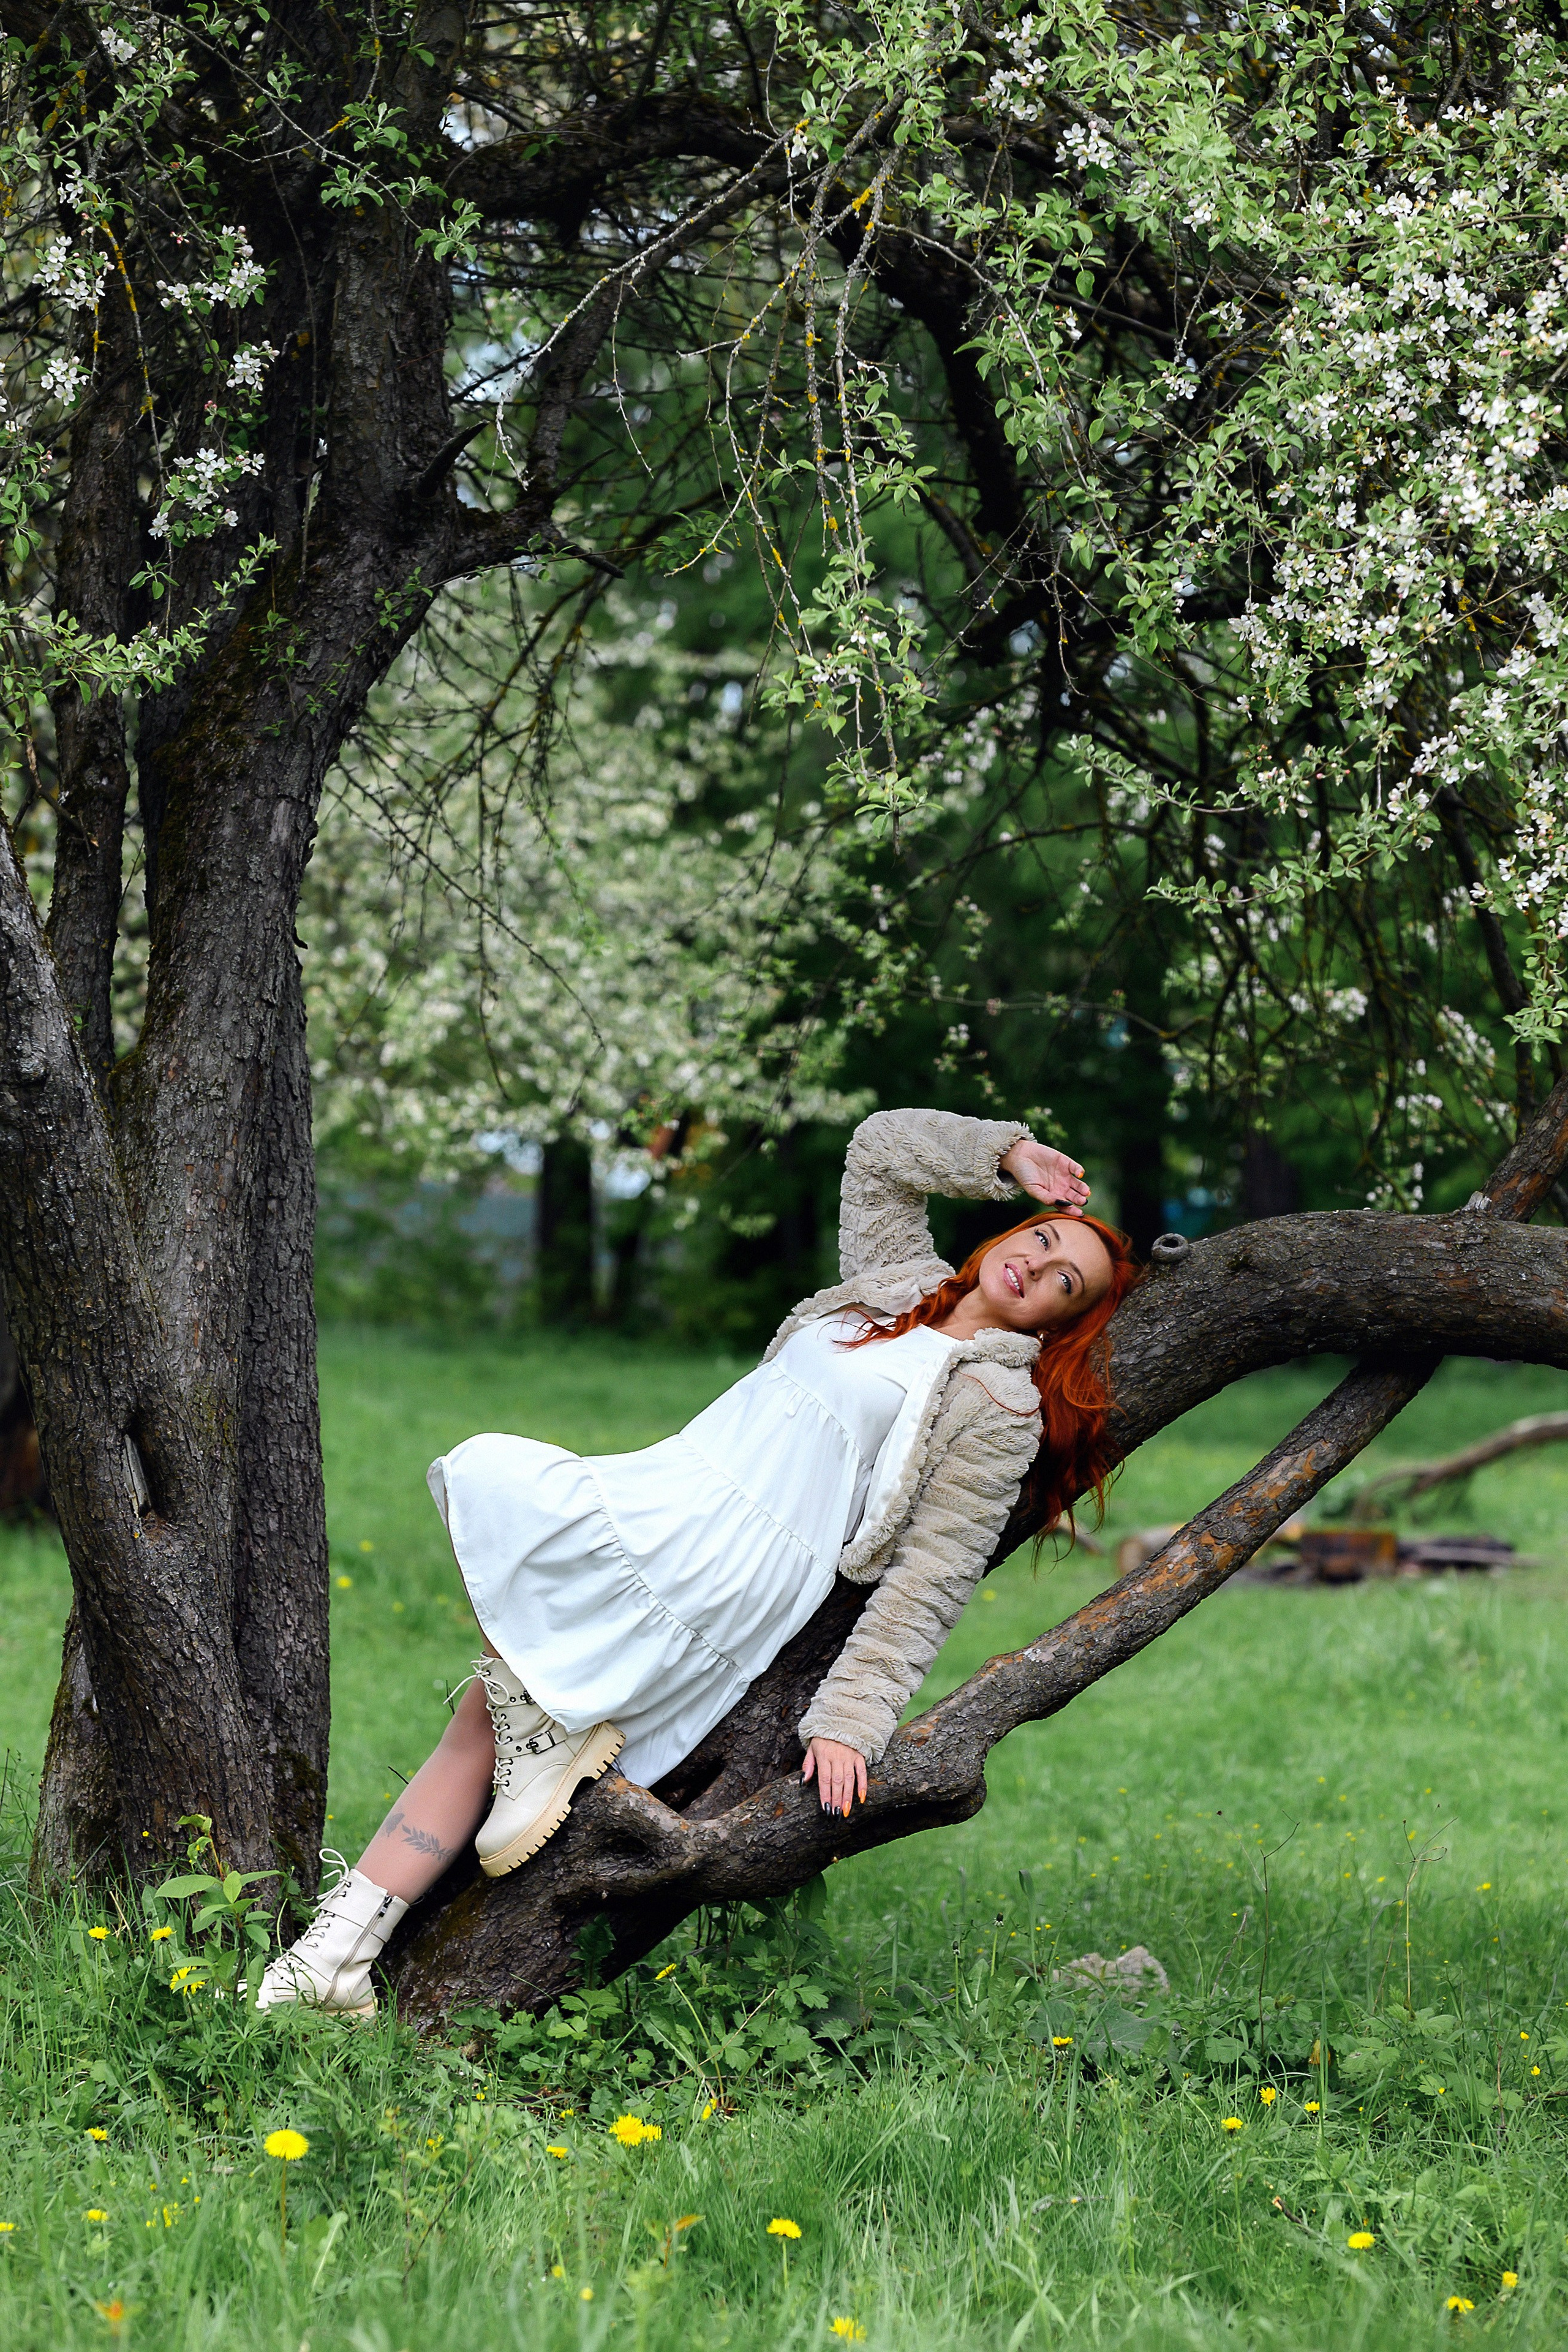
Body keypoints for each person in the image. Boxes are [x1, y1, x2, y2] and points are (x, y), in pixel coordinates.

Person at [255, 1109, 1140, 2014]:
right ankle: (333, 1959)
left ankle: (367, 1925)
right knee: (488, 1608)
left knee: (496, 1641)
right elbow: (879, 1151)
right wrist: (1006, 1153)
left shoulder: (997, 1405)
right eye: (1042, 1239)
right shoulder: (896, 1280)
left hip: (732, 1564)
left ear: (1062, 1322)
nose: (1035, 1266)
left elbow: (933, 1577)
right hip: (671, 1490)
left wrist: (852, 1718)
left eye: (1063, 1282)